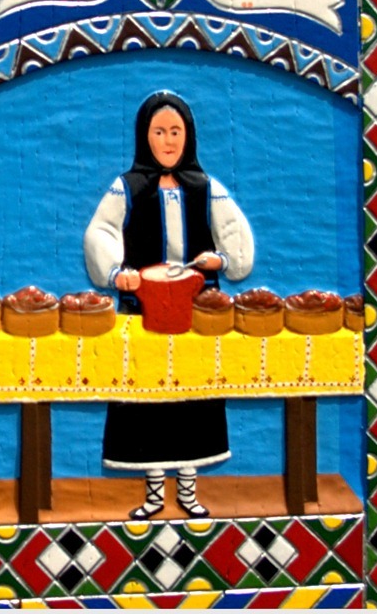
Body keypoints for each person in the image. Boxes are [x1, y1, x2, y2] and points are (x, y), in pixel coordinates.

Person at [84, 91, 254, 519]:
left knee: (194, 399)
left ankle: (191, 491)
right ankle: (155, 492)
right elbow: (100, 232)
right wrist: (115, 271)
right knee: (146, 401)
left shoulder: (205, 188)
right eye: (159, 131)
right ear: (145, 137)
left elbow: (234, 233)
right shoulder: (127, 187)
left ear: (188, 136)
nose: (168, 140)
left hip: (196, 312)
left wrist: (225, 260)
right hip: (143, 310)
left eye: (175, 131)